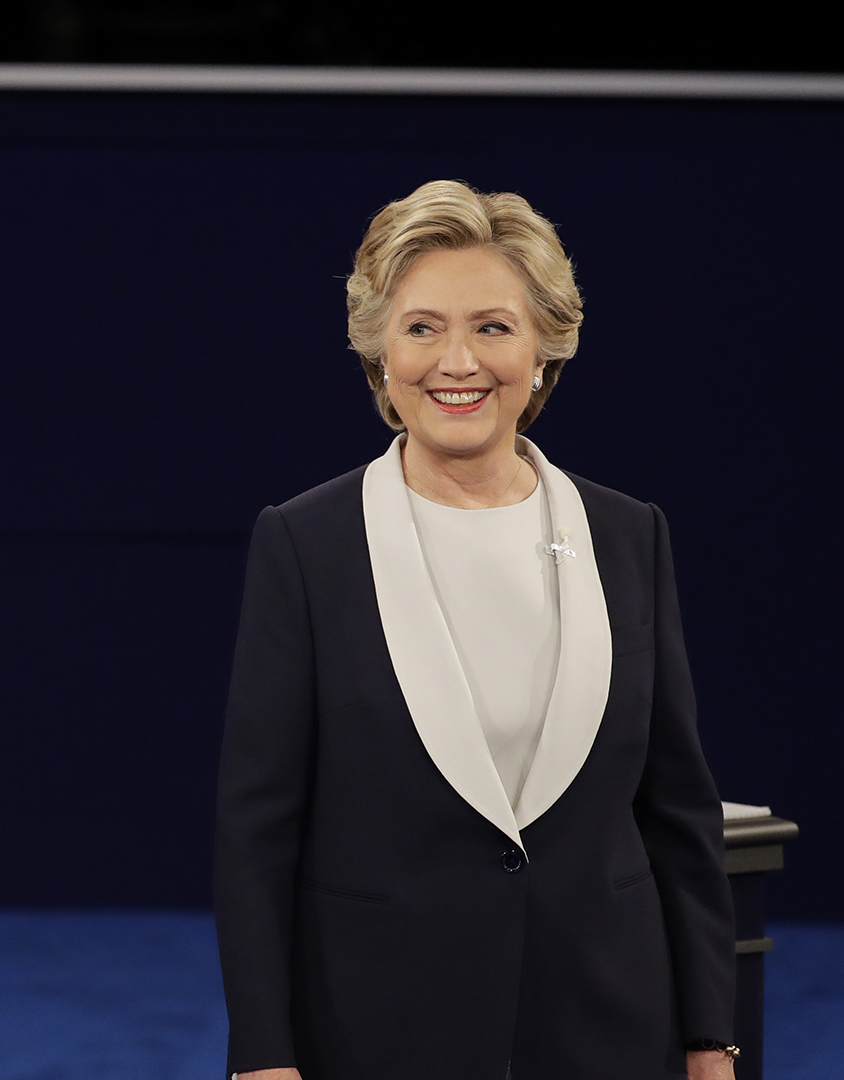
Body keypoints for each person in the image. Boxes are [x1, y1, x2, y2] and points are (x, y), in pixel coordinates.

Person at [211, 180, 737, 1080]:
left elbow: (676, 811)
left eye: (493, 327)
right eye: (422, 328)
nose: (458, 361)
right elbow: (257, 830)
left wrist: (708, 1039)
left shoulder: (628, 533)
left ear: (543, 351)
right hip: (378, 1031)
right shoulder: (306, 543)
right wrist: (263, 1057)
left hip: (609, 1027)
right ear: (380, 354)